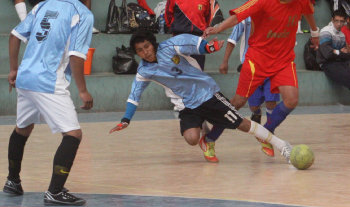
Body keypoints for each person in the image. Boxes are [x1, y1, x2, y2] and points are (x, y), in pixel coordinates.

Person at [109, 30, 292, 164]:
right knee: (191, 139)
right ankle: (205, 133)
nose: (145, 52)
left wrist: (209, 47)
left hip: (207, 93)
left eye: (147, 46)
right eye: (140, 50)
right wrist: (126, 119)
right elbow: (135, 94)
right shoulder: (144, 70)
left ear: (153, 43)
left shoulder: (170, 46)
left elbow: (194, 44)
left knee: (243, 125)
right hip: (187, 104)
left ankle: (282, 145)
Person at [3, 0, 96, 206]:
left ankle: (13, 180)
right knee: (73, 134)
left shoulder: (44, 4)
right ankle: (55, 191)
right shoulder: (83, 14)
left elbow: (14, 36)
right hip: (47, 81)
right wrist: (83, 90)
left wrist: (13, 69)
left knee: (22, 128)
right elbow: (76, 56)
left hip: (25, 77)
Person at [204, 0, 320, 158]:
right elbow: (237, 17)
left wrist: (315, 33)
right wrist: (217, 28)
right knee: (238, 102)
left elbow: (308, 13)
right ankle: (210, 139)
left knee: (291, 99)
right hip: (257, 59)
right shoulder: (263, 0)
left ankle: (266, 133)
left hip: (283, 59)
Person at [219, 0, 279, 131]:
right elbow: (233, 39)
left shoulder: (276, 16)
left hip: (271, 65)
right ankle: (256, 113)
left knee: (272, 101)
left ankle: (269, 130)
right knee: (252, 103)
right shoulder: (245, 15)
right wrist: (225, 61)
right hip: (250, 66)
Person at [165, 0, 210, 70]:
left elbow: (207, 16)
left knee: (198, 70)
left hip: (198, 38)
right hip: (179, 37)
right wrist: (175, 28)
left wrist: (203, 30)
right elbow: (168, 14)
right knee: (178, 71)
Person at [316, 10, 350, 89]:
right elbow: (328, 54)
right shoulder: (326, 32)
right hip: (327, 63)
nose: (339, 24)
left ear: (345, 22)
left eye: (341, 21)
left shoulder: (342, 35)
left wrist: (337, 52)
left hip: (340, 62)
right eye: (336, 21)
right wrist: (340, 52)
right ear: (332, 20)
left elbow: (346, 54)